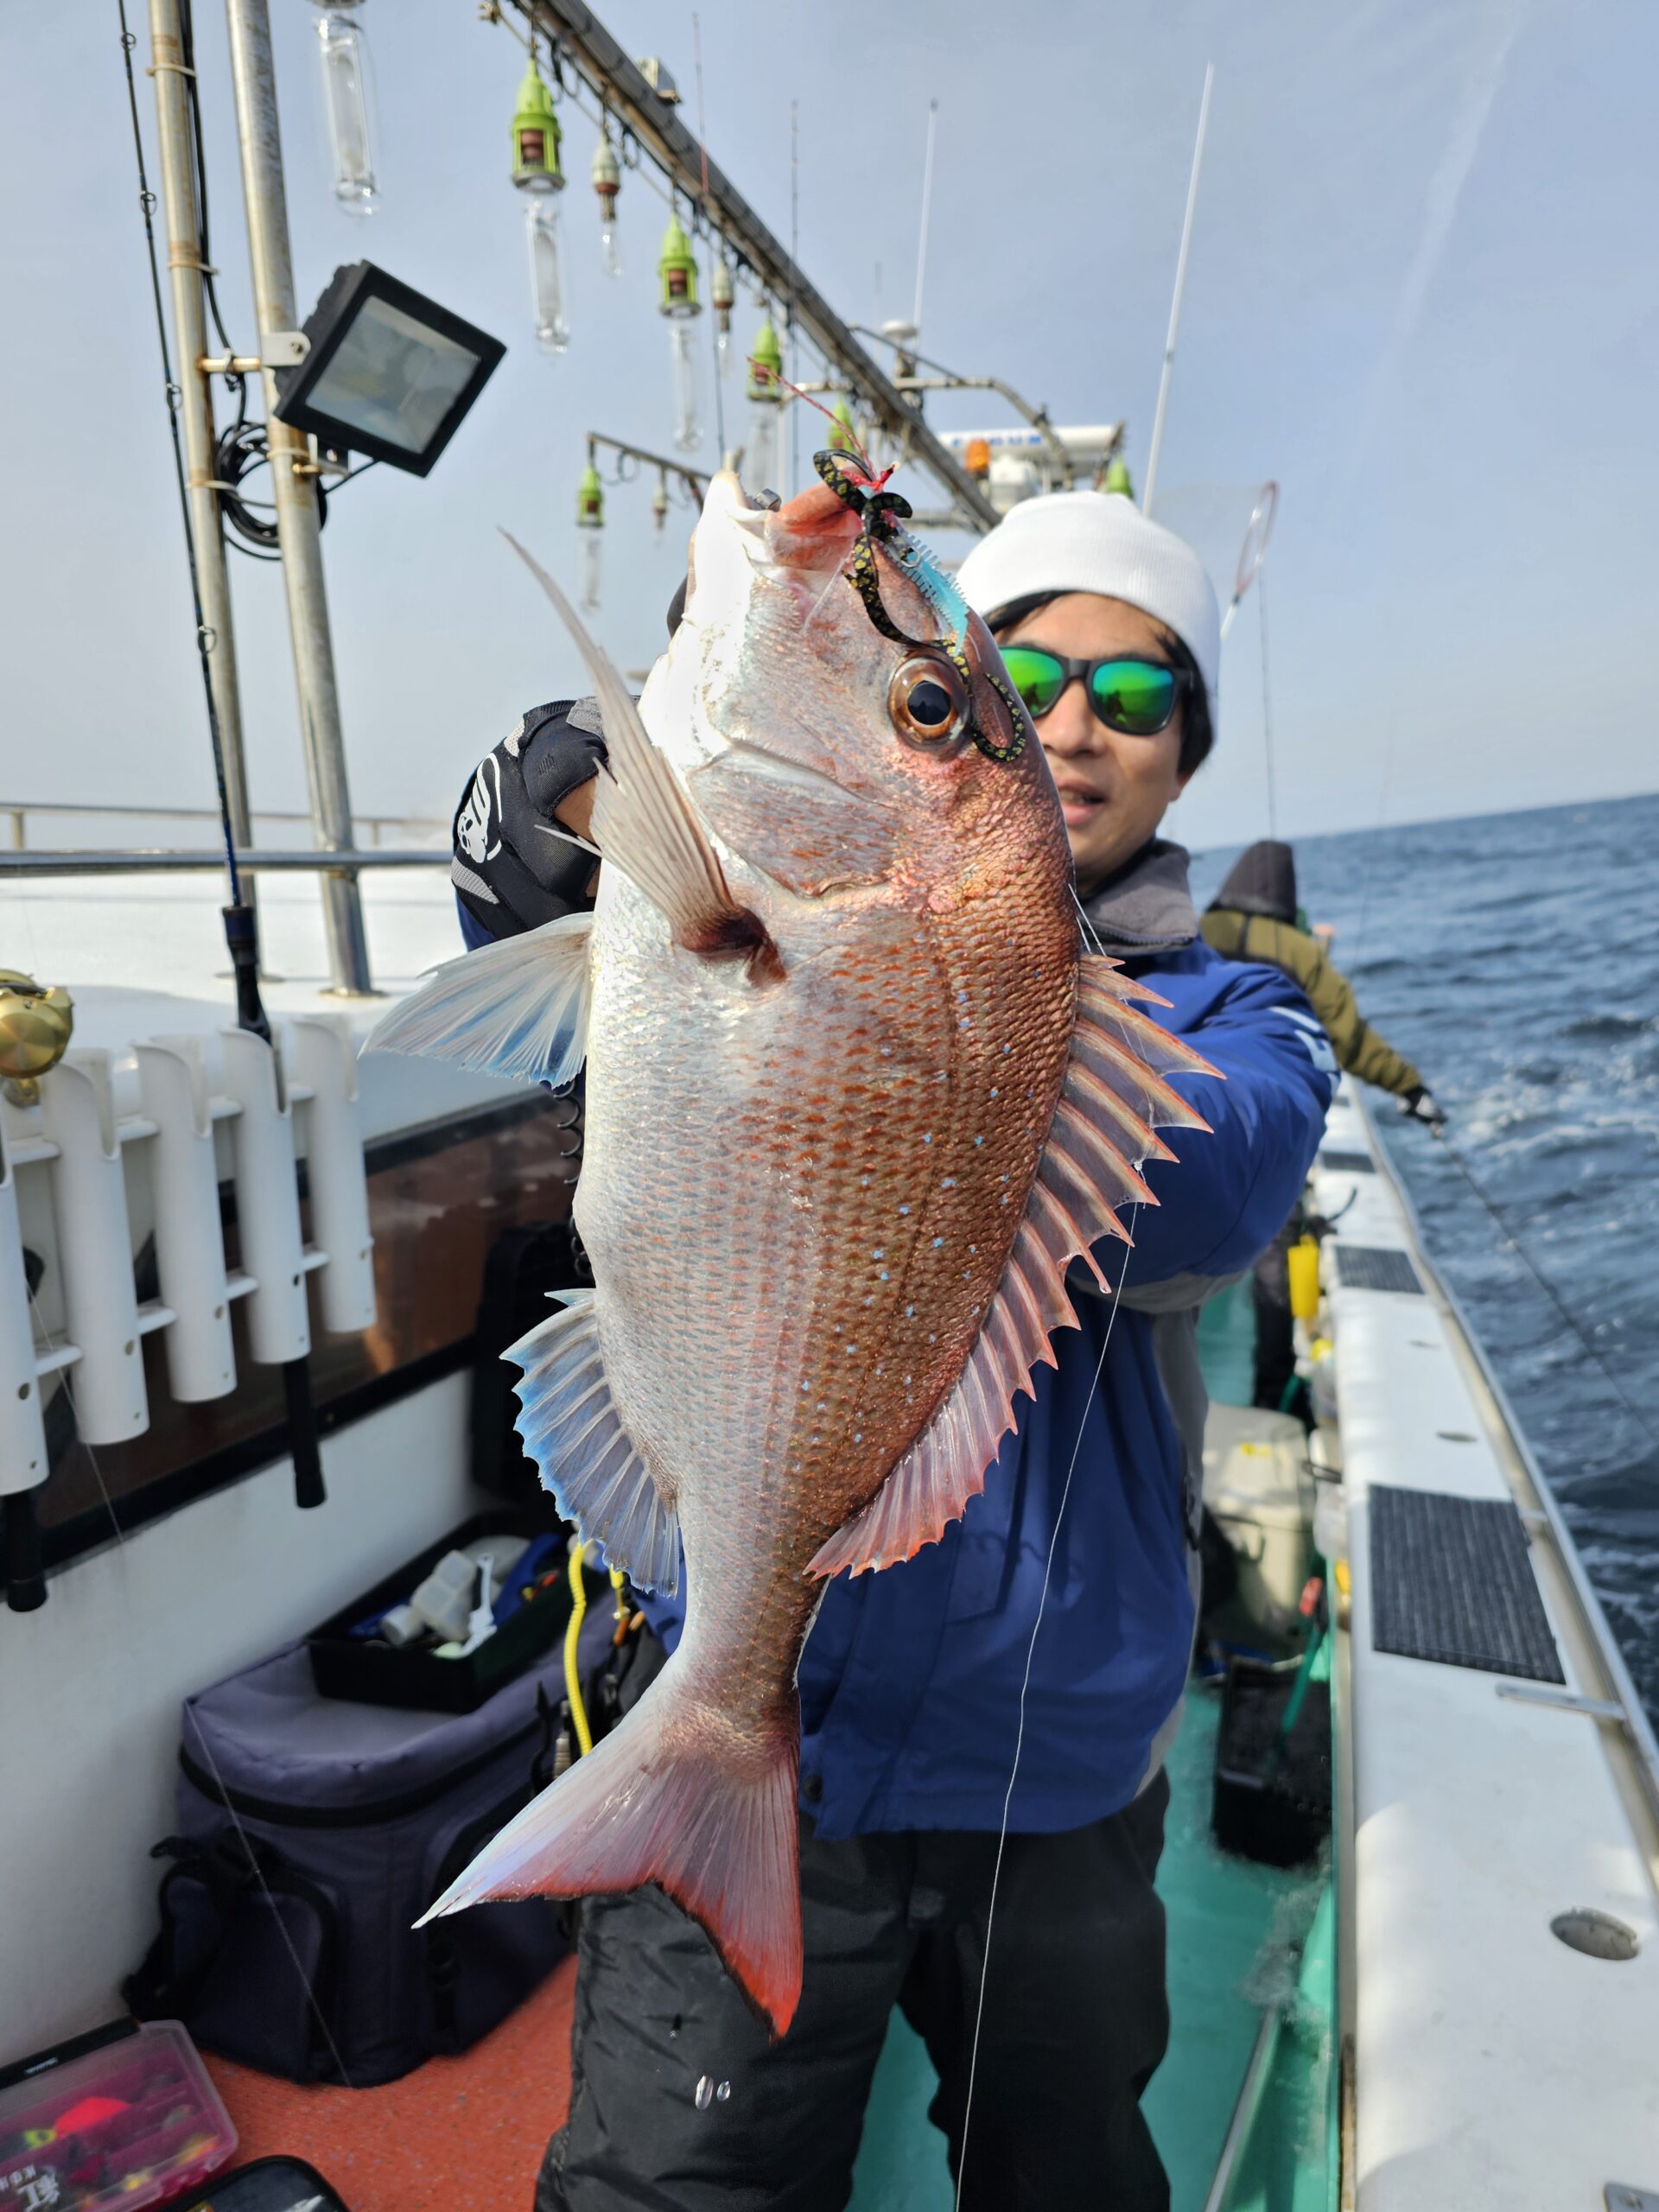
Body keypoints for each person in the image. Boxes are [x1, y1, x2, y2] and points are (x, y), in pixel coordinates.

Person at [451, 486, 1334, 2211]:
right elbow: (525, 923)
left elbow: (1213, 1182)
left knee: (1063, 2171)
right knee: (673, 2178)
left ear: (1186, 750)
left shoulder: (1230, 1011)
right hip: (798, 1713)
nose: (1078, 721)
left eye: (1138, 694)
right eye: (1019, 673)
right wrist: (565, 804)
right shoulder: (763, 871)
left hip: (1062, 1761)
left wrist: (976, 992)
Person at [1200, 839, 1441, 1408]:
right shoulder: (1301, 952)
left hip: (1189, 1119)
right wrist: (1410, 1087)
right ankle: (1272, 1387)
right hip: (1266, 1131)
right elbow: (1349, 1039)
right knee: (1272, 1252)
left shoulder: (1191, 928)